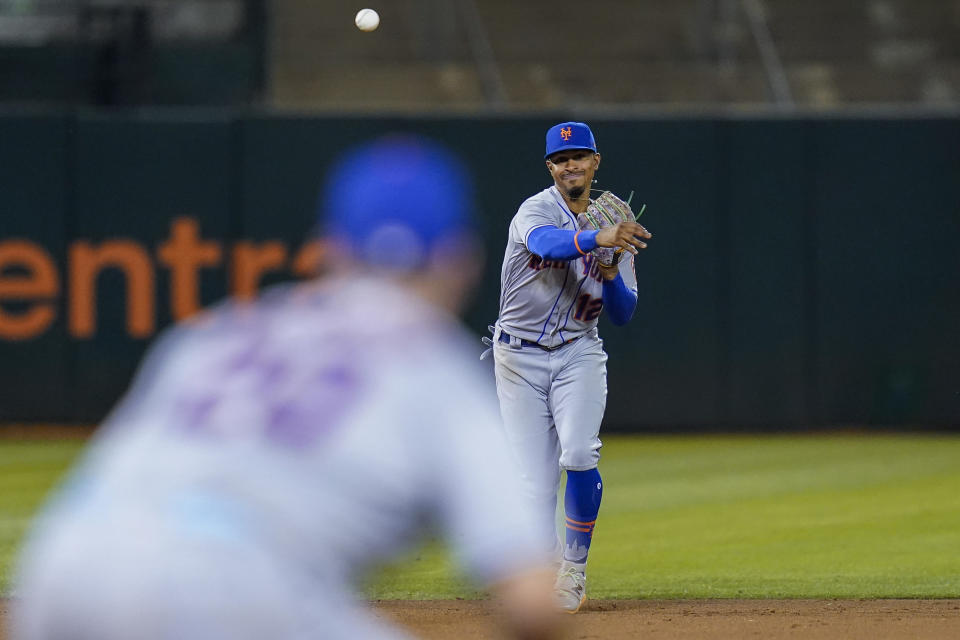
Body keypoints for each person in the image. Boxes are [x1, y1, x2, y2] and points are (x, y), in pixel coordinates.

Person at [11, 135, 560, 640]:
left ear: (330, 251)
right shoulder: (438, 371)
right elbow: (530, 599)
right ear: (463, 261)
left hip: (62, 566)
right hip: (231, 586)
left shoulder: (218, 331)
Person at [490, 121, 651, 613]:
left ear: (595, 162)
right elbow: (547, 245)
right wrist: (598, 238)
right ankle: (546, 560)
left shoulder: (614, 217)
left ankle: (573, 571)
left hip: (579, 350)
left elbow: (622, 313)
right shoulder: (536, 209)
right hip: (517, 356)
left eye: (579, 156)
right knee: (533, 483)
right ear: (550, 168)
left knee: (580, 453)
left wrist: (610, 272)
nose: (570, 165)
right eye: (561, 160)